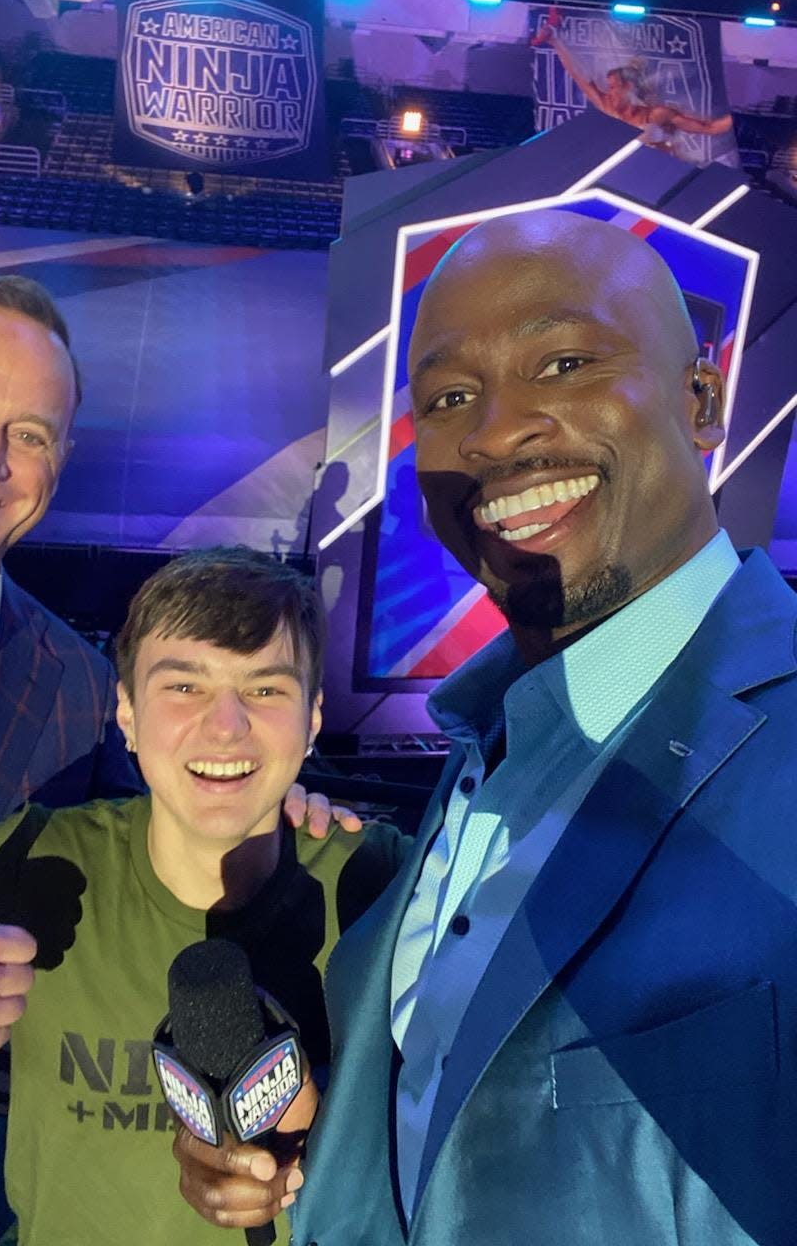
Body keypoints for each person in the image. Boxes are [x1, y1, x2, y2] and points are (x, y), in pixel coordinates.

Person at [172, 209, 797, 1246]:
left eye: (563, 360)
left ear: (702, 399)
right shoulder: (482, 754)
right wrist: (321, 1145)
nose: (497, 430)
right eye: (450, 397)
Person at [0, 276, 354, 1246]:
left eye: (29, 433)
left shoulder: (73, 692)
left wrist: (277, 791)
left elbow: (187, 793)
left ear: (60, 460)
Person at [0, 546, 406, 1245]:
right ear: (126, 713)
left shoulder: (383, 884)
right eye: (184, 687)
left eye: (264, 689)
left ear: (313, 717)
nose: (225, 726)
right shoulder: (31, 865)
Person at [540, 22, 733, 154]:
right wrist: (555, 42)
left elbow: (709, 128)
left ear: (628, 88)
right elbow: (578, 75)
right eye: (609, 87)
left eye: (614, 87)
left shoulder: (657, 115)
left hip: (655, 176)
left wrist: (737, 118)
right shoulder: (607, 107)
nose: (610, 92)